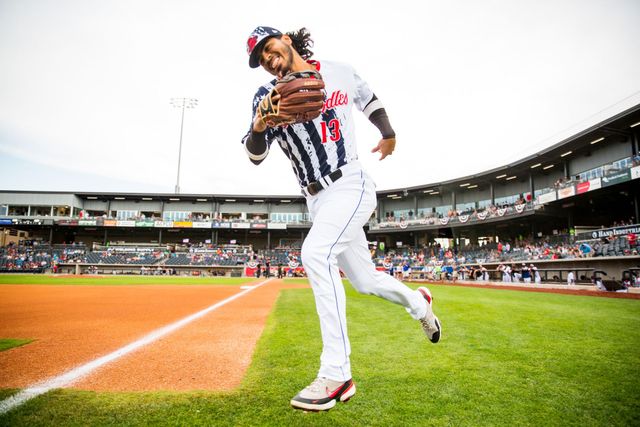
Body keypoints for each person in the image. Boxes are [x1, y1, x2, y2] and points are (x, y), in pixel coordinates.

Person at [242, 26, 441, 412]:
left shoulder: (337, 71)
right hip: (315, 199)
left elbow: (368, 98)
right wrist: (260, 125)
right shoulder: (264, 98)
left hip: (349, 183)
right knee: (365, 281)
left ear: (284, 39)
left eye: (268, 47)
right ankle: (420, 304)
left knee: (315, 254)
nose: (266, 58)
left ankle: (337, 374)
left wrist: (388, 133)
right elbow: (254, 154)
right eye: (259, 59)